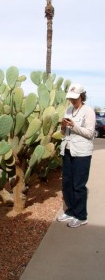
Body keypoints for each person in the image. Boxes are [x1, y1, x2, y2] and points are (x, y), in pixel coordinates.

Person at [57, 83, 96, 228]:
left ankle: (81, 216)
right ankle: (71, 211)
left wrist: (74, 126)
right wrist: (63, 126)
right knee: (66, 183)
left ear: (81, 96)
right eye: (71, 98)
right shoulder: (68, 110)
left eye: (75, 98)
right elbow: (62, 133)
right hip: (67, 149)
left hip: (82, 152)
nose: (73, 101)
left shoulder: (88, 111)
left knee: (78, 185)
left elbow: (90, 133)